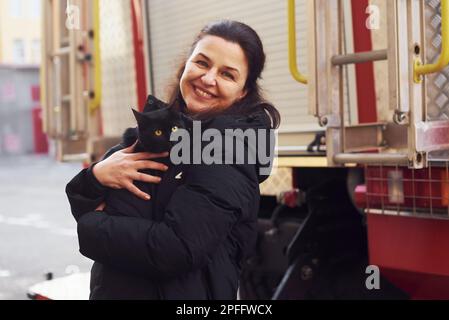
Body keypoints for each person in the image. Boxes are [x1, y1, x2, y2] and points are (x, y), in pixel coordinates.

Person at [66, 19, 280, 300]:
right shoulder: (159, 131)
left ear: (242, 92)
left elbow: (174, 248)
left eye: (227, 74)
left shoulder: (228, 150)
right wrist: (95, 177)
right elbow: (88, 198)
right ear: (185, 66)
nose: (208, 78)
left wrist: (92, 226)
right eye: (202, 63)